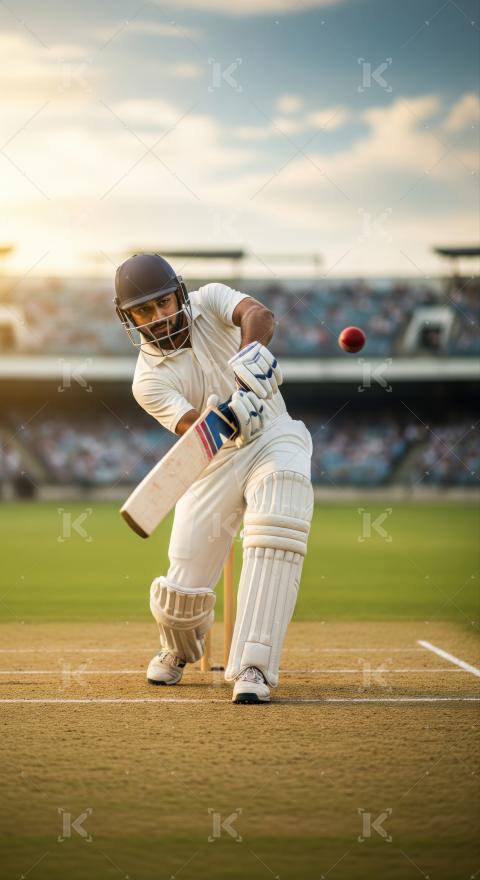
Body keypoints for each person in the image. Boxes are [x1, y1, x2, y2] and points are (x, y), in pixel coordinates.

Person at [114, 253, 313, 704]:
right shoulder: (147, 379)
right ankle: (177, 649)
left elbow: (258, 315)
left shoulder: (211, 299)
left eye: (163, 303)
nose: (158, 317)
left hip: (273, 434)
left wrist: (250, 357)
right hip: (212, 456)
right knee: (182, 588)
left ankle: (254, 666)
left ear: (179, 294)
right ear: (128, 318)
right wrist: (228, 414)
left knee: (279, 513)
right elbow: (195, 432)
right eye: (143, 311)